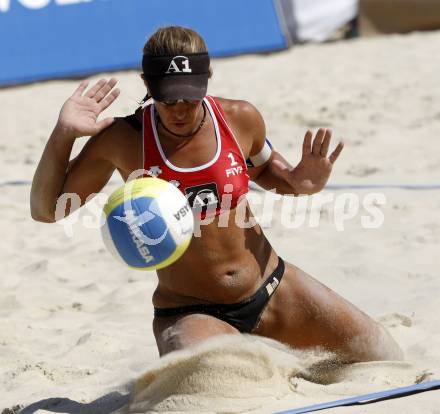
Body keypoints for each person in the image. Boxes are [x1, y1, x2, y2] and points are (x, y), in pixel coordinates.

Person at [30, 26, 403, 361]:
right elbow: (47, 210)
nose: (179, 110)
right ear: (148, 84)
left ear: (207, 79)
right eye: (168, 99)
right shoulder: (122, 139)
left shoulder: (240, 118)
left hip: (271, 287)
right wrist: (63, 134)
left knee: (383, 355)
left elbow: (268, 172)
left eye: (189, 98)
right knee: (214, 384)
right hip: (192, 312)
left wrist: (299, 182)